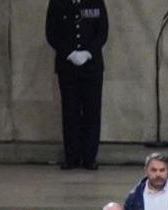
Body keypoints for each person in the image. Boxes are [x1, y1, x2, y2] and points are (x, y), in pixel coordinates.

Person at [46, 0, 109, 170]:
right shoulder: (57, 3)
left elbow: (102, 32)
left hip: (91, 65)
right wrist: (70, 53)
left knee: (92, 112)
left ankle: (90, 157)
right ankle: (71, 157)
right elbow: (51, 33)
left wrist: (88, 52)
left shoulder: (95, 1)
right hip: (67, 65)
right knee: (70, 112)